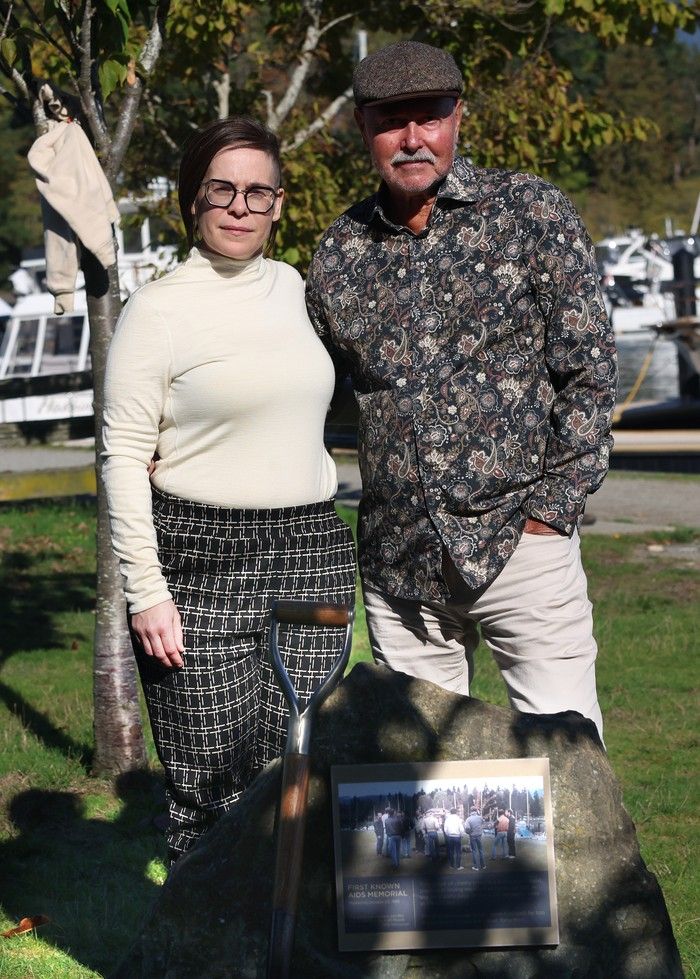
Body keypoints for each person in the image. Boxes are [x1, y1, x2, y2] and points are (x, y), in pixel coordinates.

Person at [306, 41, 617, 743]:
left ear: (458, 117)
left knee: (567, 756)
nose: (413, 138)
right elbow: (306, 391)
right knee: (422, 784)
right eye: (392, 121)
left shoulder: (531, 212)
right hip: (399, 559)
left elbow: (591, 370)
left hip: (522, 541)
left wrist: (553, 510)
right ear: (363, 129)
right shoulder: (337, 254)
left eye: (430, 117)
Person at [102, 116, 356, 865]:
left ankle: (288, 953)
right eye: (222, 190)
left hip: (311, 548)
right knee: (208, 790)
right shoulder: (158, 309)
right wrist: (145, 589)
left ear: (280, 203)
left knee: (294, 779)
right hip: (197, 560)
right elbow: (121, 455)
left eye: (258, 191)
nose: (240, 207)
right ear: (192, 202)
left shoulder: (298, 290)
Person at [464, 805, 486, 871]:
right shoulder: (480, 817)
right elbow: (483, 823)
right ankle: (483, 865)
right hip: (479, 835)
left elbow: (467, 828)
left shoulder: (468, 819)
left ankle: (476, 866)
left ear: (471, 811)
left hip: (472, 836)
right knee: (481, 850)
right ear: (476, 811)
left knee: (474, 851)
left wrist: (469, 833)